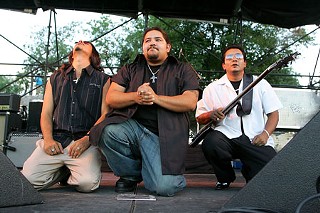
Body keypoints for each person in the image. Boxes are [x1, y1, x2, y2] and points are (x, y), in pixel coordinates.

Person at [90, 27, 200, 196]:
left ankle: (161, 174)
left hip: (164, 137)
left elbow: (190, 102)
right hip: (132, 128)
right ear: (143, 47)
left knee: (165, 188)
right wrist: (137, 97)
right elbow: (111, 98)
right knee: (106, 131)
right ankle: (131, 174)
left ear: (168, 47)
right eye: (147, 41)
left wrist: (155, 98)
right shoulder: (130, 69)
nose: (152, 43)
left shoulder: (183, 69)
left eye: (158, 40)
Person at [21, 40, 110, 192]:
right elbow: (46, 112)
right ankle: (63, 172)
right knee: (27, 182)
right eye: (78, 42)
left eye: (86, 42)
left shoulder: (103, 79)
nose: (80, 41)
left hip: (84, 142)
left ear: (93, 55)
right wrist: (48, 140)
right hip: (57, 141)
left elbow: (106, 114)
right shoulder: (55, 77)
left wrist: (87, 139)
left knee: (87, 184)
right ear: (71, 55)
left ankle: (71, 170)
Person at [196, 44, 282, 190]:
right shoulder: (213, 88)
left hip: (254, 138)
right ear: (224, 65)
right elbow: (199, 117)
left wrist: (265, 134)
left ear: (245, 63)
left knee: (270, 173)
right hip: (226, 137)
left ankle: (251, 173)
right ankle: (225, 178)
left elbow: (273, 114)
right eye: (229, 57)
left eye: (238, 56)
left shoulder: (260, 83)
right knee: (211, 142)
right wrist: (211, 114)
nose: (234, 59)